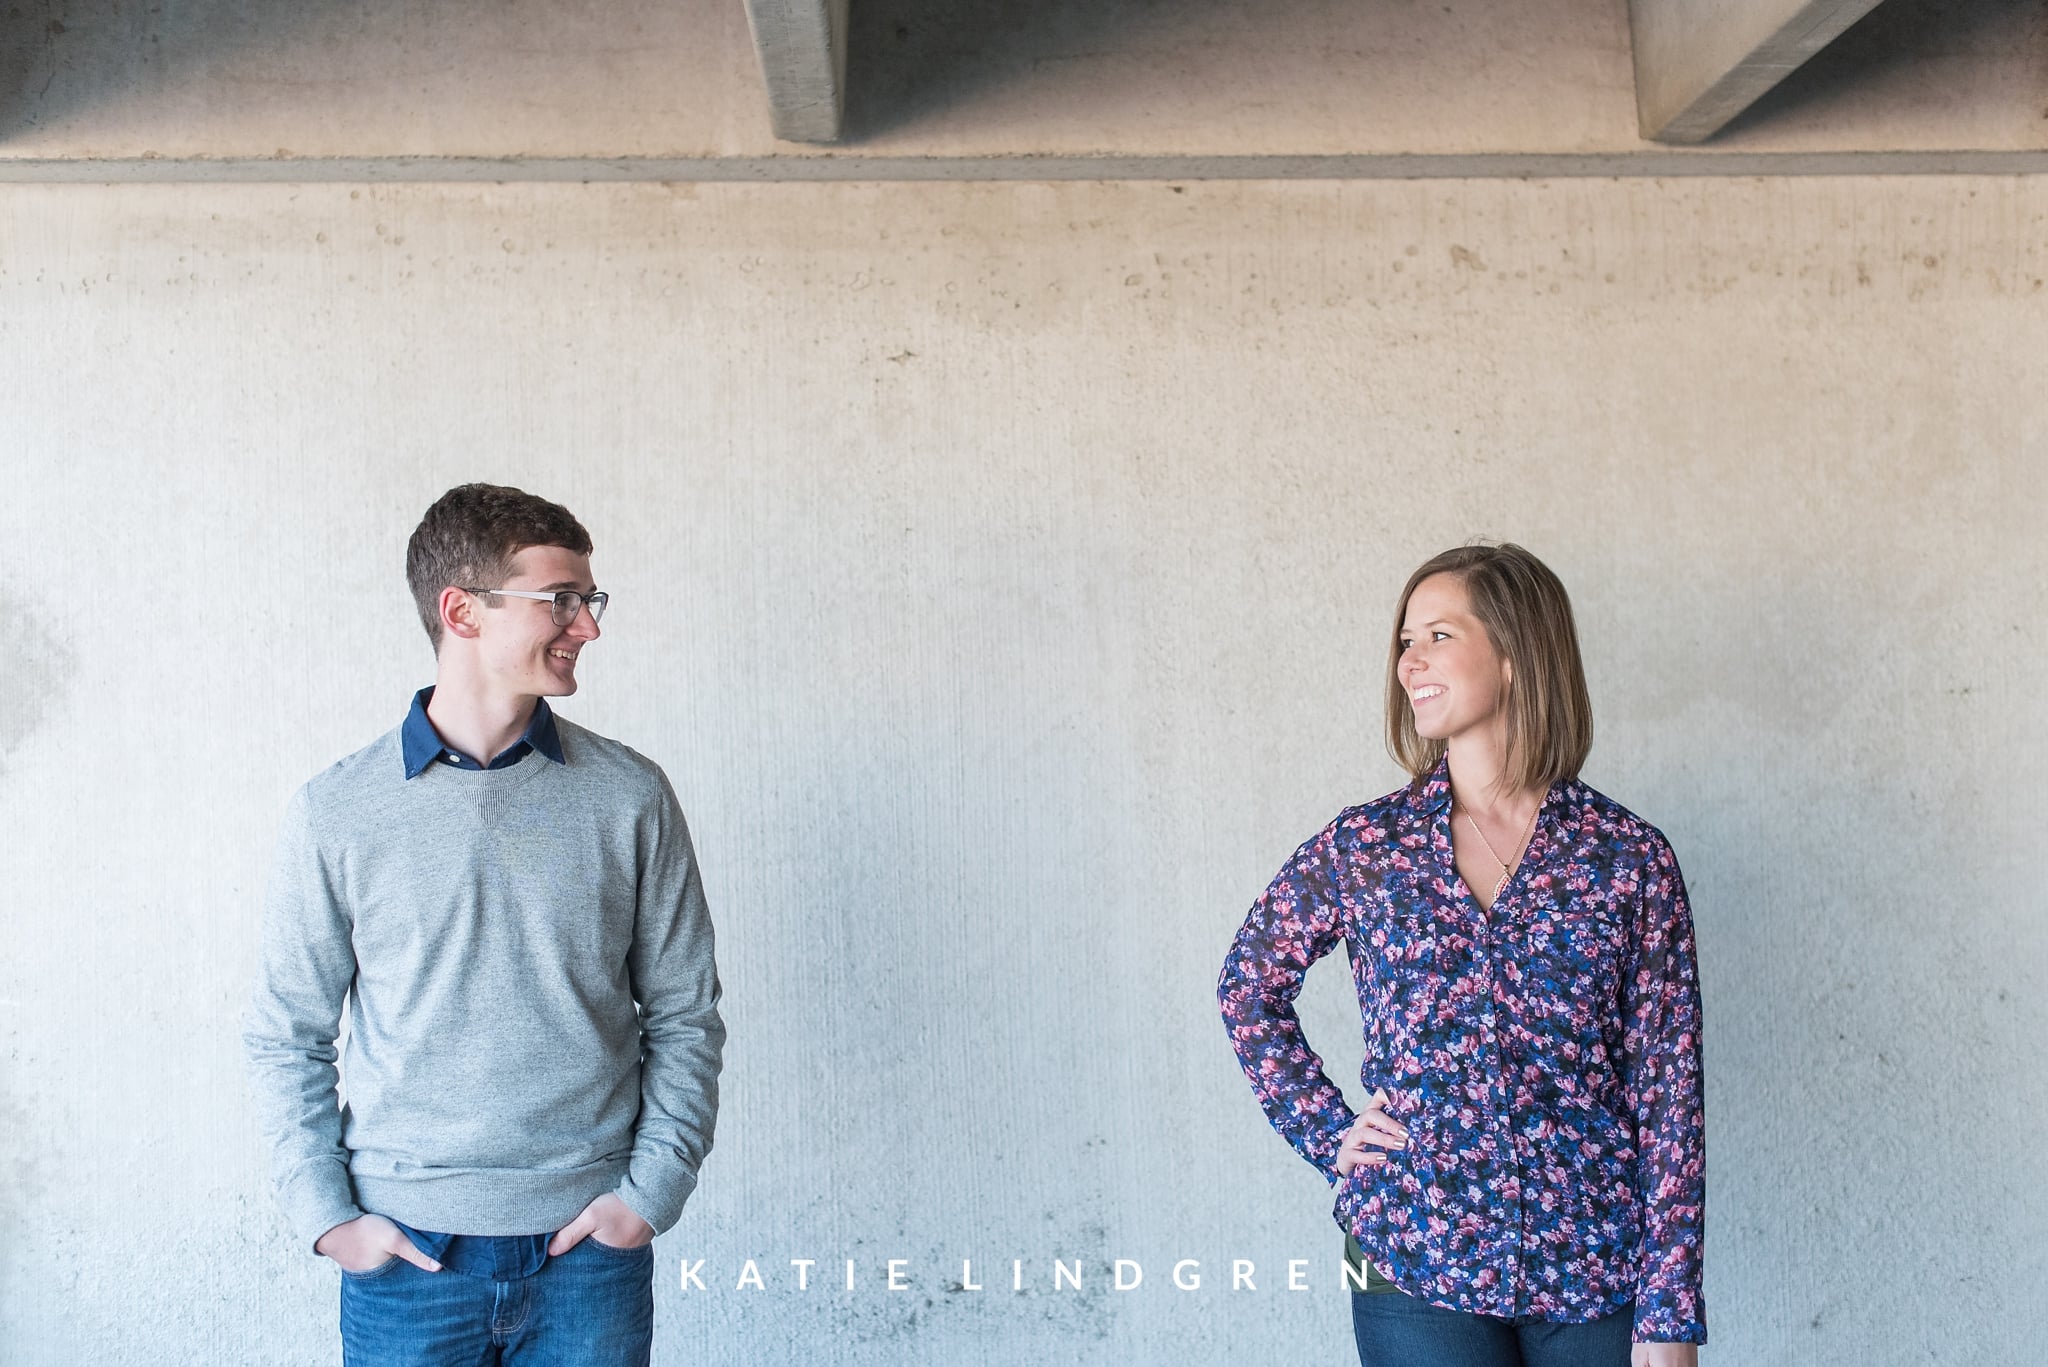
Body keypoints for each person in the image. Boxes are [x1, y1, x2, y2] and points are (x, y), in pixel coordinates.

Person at [243, 482, 725, 1367]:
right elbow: (287, 1035)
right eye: (562, 601)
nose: (588, 626)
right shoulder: (336, 811)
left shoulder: (630, 795)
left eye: (590, 600)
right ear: (461, 609)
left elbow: (687, 1012)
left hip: (587, 1258)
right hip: (407, 1264)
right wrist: (328, 1217)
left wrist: (651, 1191)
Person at [1218, 543, 1705, 1367]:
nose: (1410, 661)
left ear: (1515, 655)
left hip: (1593, 1268)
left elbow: (1668, 1092)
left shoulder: (1627, 859)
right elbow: (1248, 985)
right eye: (1405, 640)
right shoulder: (1368, 847)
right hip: (1413, 1259)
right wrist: (1329, 1129)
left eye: (1438, 634)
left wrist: (1669, 1309)